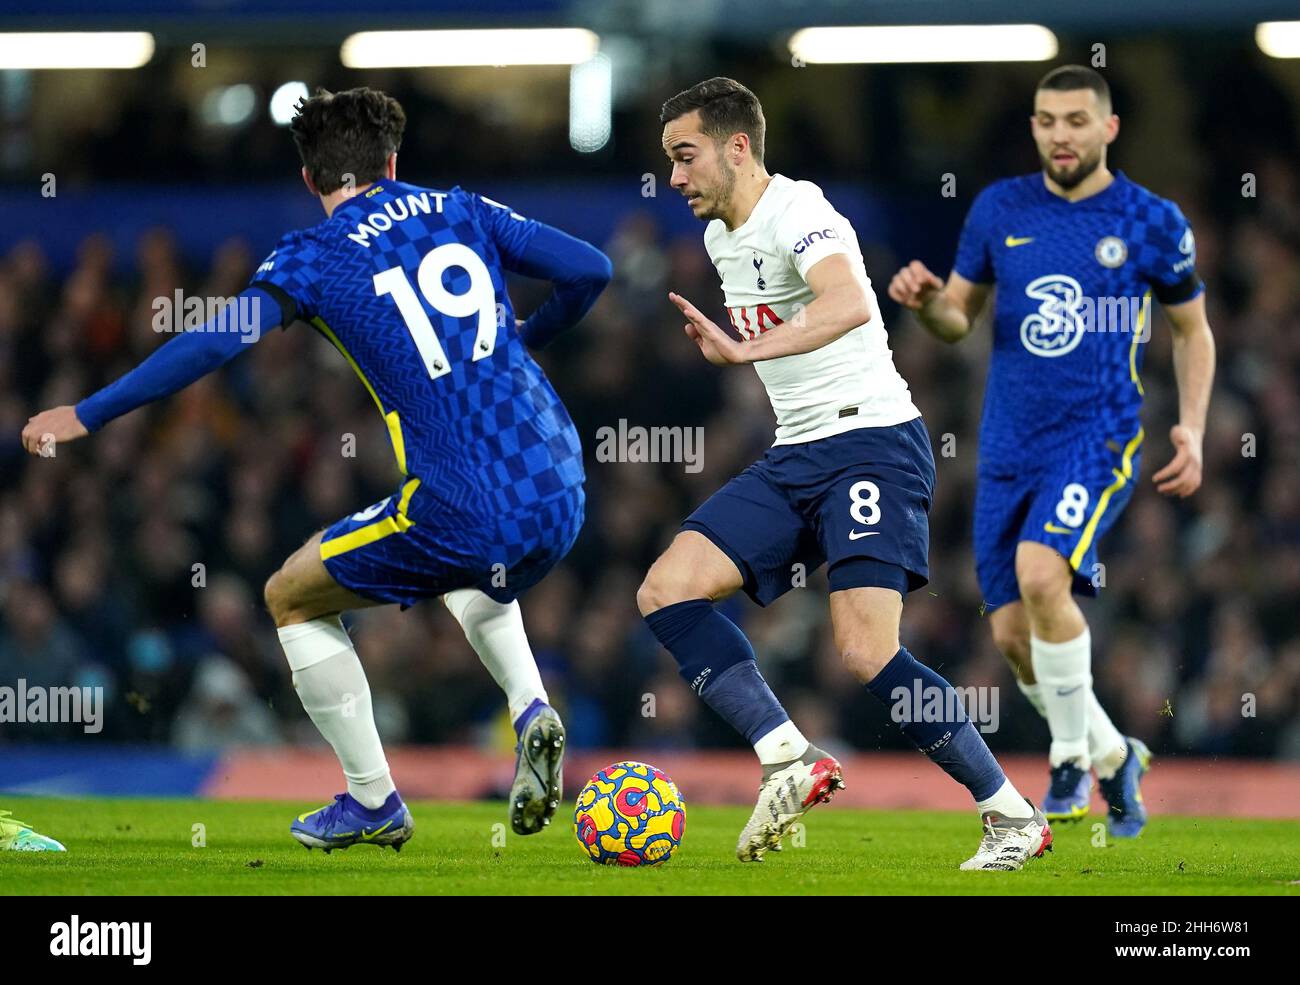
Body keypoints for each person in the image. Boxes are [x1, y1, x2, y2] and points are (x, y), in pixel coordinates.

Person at [21, 86, 612, 851]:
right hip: (561, 480)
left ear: (309, 179)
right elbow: (590, 269)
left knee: (290, 594)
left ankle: (373, 799)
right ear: (393, 161)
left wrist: (90, 411)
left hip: (464, 501)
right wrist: (530, 335)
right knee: (469, 567)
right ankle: (532, 707)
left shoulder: (314, 256)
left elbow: (218, 340)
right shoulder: (461, 207)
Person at [640, 77, 1051, 870]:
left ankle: (1010, 814)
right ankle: (787, 752)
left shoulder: (801, 212)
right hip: (798, 452)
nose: (676, 178)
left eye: (685, 157)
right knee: (666, 588)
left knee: (865, 651)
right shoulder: (724, 237)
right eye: (669, 162)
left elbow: (852, 301)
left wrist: (743, 349)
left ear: (738, 149)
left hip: (872, 444)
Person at [888, 65, 1215, 837]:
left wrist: (1194, 426)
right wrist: (928, 301)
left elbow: (1192, 328)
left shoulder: (1149, 219)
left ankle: (1068, 757)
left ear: (1109, 127)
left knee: (1043, 575)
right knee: (1009, 634)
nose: (1059, 134)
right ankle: (1112, 753)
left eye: (1075, 120)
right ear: (1033, 127)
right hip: (1006, 444)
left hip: (1094, 437)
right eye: (1046, 120)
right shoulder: (1001, 208)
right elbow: (957, 320)